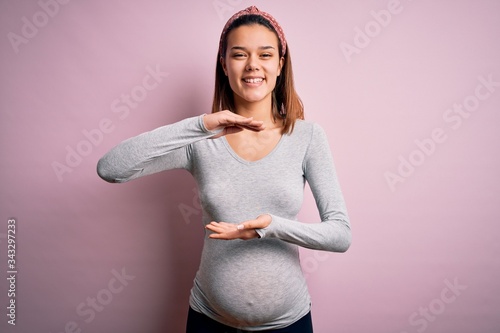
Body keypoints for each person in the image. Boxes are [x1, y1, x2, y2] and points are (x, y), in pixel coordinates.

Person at [97, 6, 351, 333]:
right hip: (209, 320)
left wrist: (270, 227)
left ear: (280, 64)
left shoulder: (306, 137)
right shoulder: (202, 140)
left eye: (265, 54)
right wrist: (200, 125)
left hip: (290, 323)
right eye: (239, 54)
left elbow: (341, 234)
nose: (252, 65)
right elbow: (111, 168)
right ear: (224, 64)